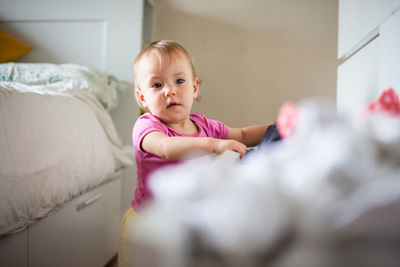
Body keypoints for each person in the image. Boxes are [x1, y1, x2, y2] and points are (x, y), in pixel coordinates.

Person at [119, 40, 271, 266]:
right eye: (157, 85)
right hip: (148, 223)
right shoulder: (147, 126)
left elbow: (243, 134)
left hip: (186, 220)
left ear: (194, 87)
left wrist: (276, 128)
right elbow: (166, 148)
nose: (169, 90)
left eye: (179, 81)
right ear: (142, 97)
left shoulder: (203, 125)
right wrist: (213, 145)